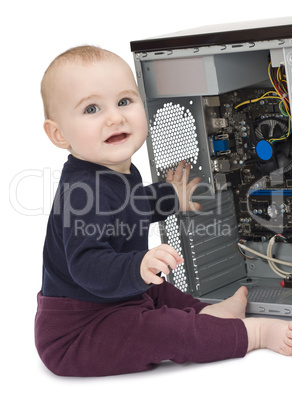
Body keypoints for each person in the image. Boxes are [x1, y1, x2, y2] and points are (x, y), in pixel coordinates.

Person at [35, 45, 292, 377]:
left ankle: (208, 313)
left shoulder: (114, 173)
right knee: (164, 329)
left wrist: (171, 196)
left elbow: (130, 207)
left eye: (124, 101)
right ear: (58, 134)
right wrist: (137, 264)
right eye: (92, 109)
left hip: (119, 300)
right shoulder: (80, 191)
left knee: (160, 291)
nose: (115, 117)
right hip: (81, 332)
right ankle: (252, 334)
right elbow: (85, 265)